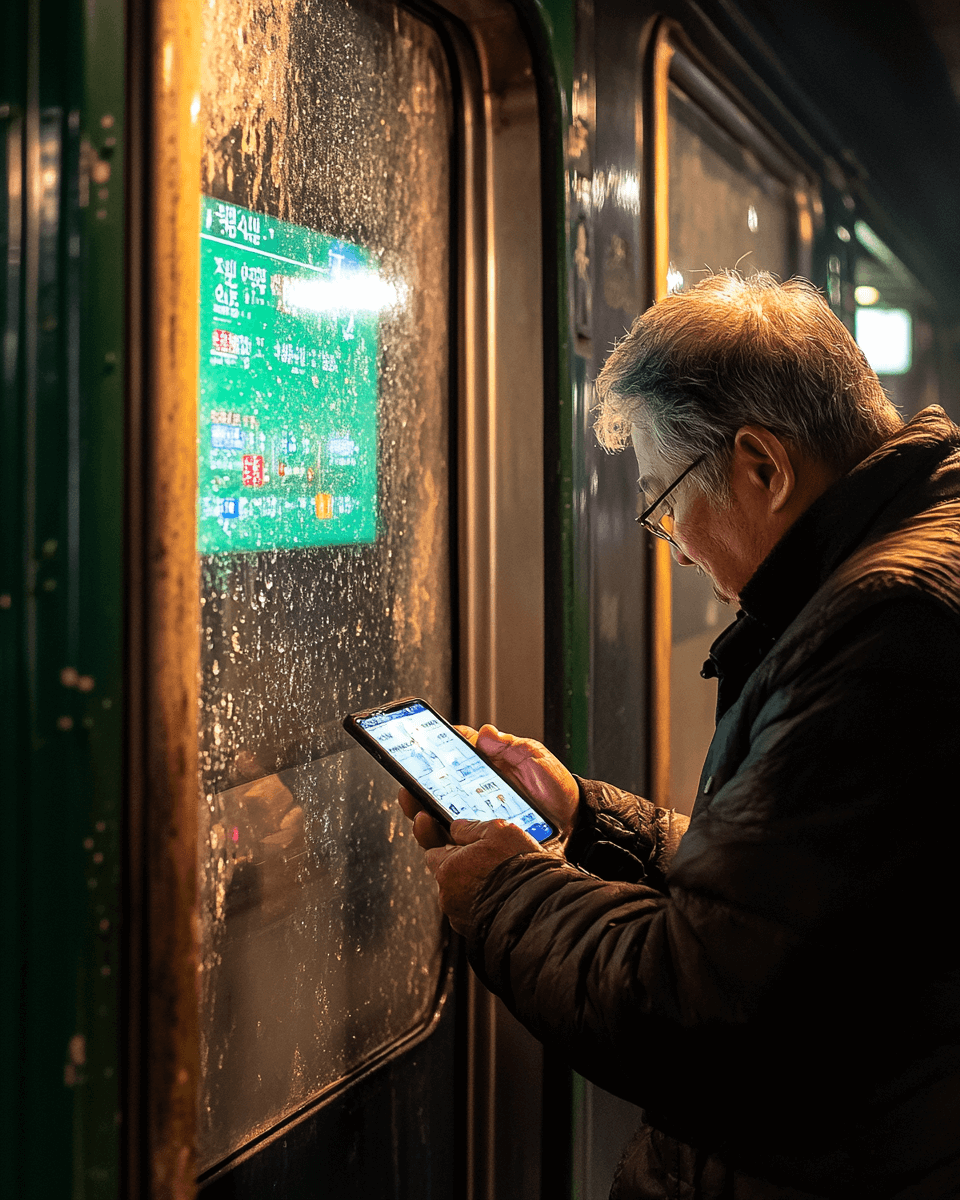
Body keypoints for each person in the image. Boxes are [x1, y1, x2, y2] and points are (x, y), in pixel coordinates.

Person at [398, 272, 960, 1199]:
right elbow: (801, 911)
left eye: (665, 505)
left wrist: (503, 891)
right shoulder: (908, 567)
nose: (681, 546)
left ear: (763, 467)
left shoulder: (886, 629)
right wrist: (591, 822)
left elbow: (701, 1013)